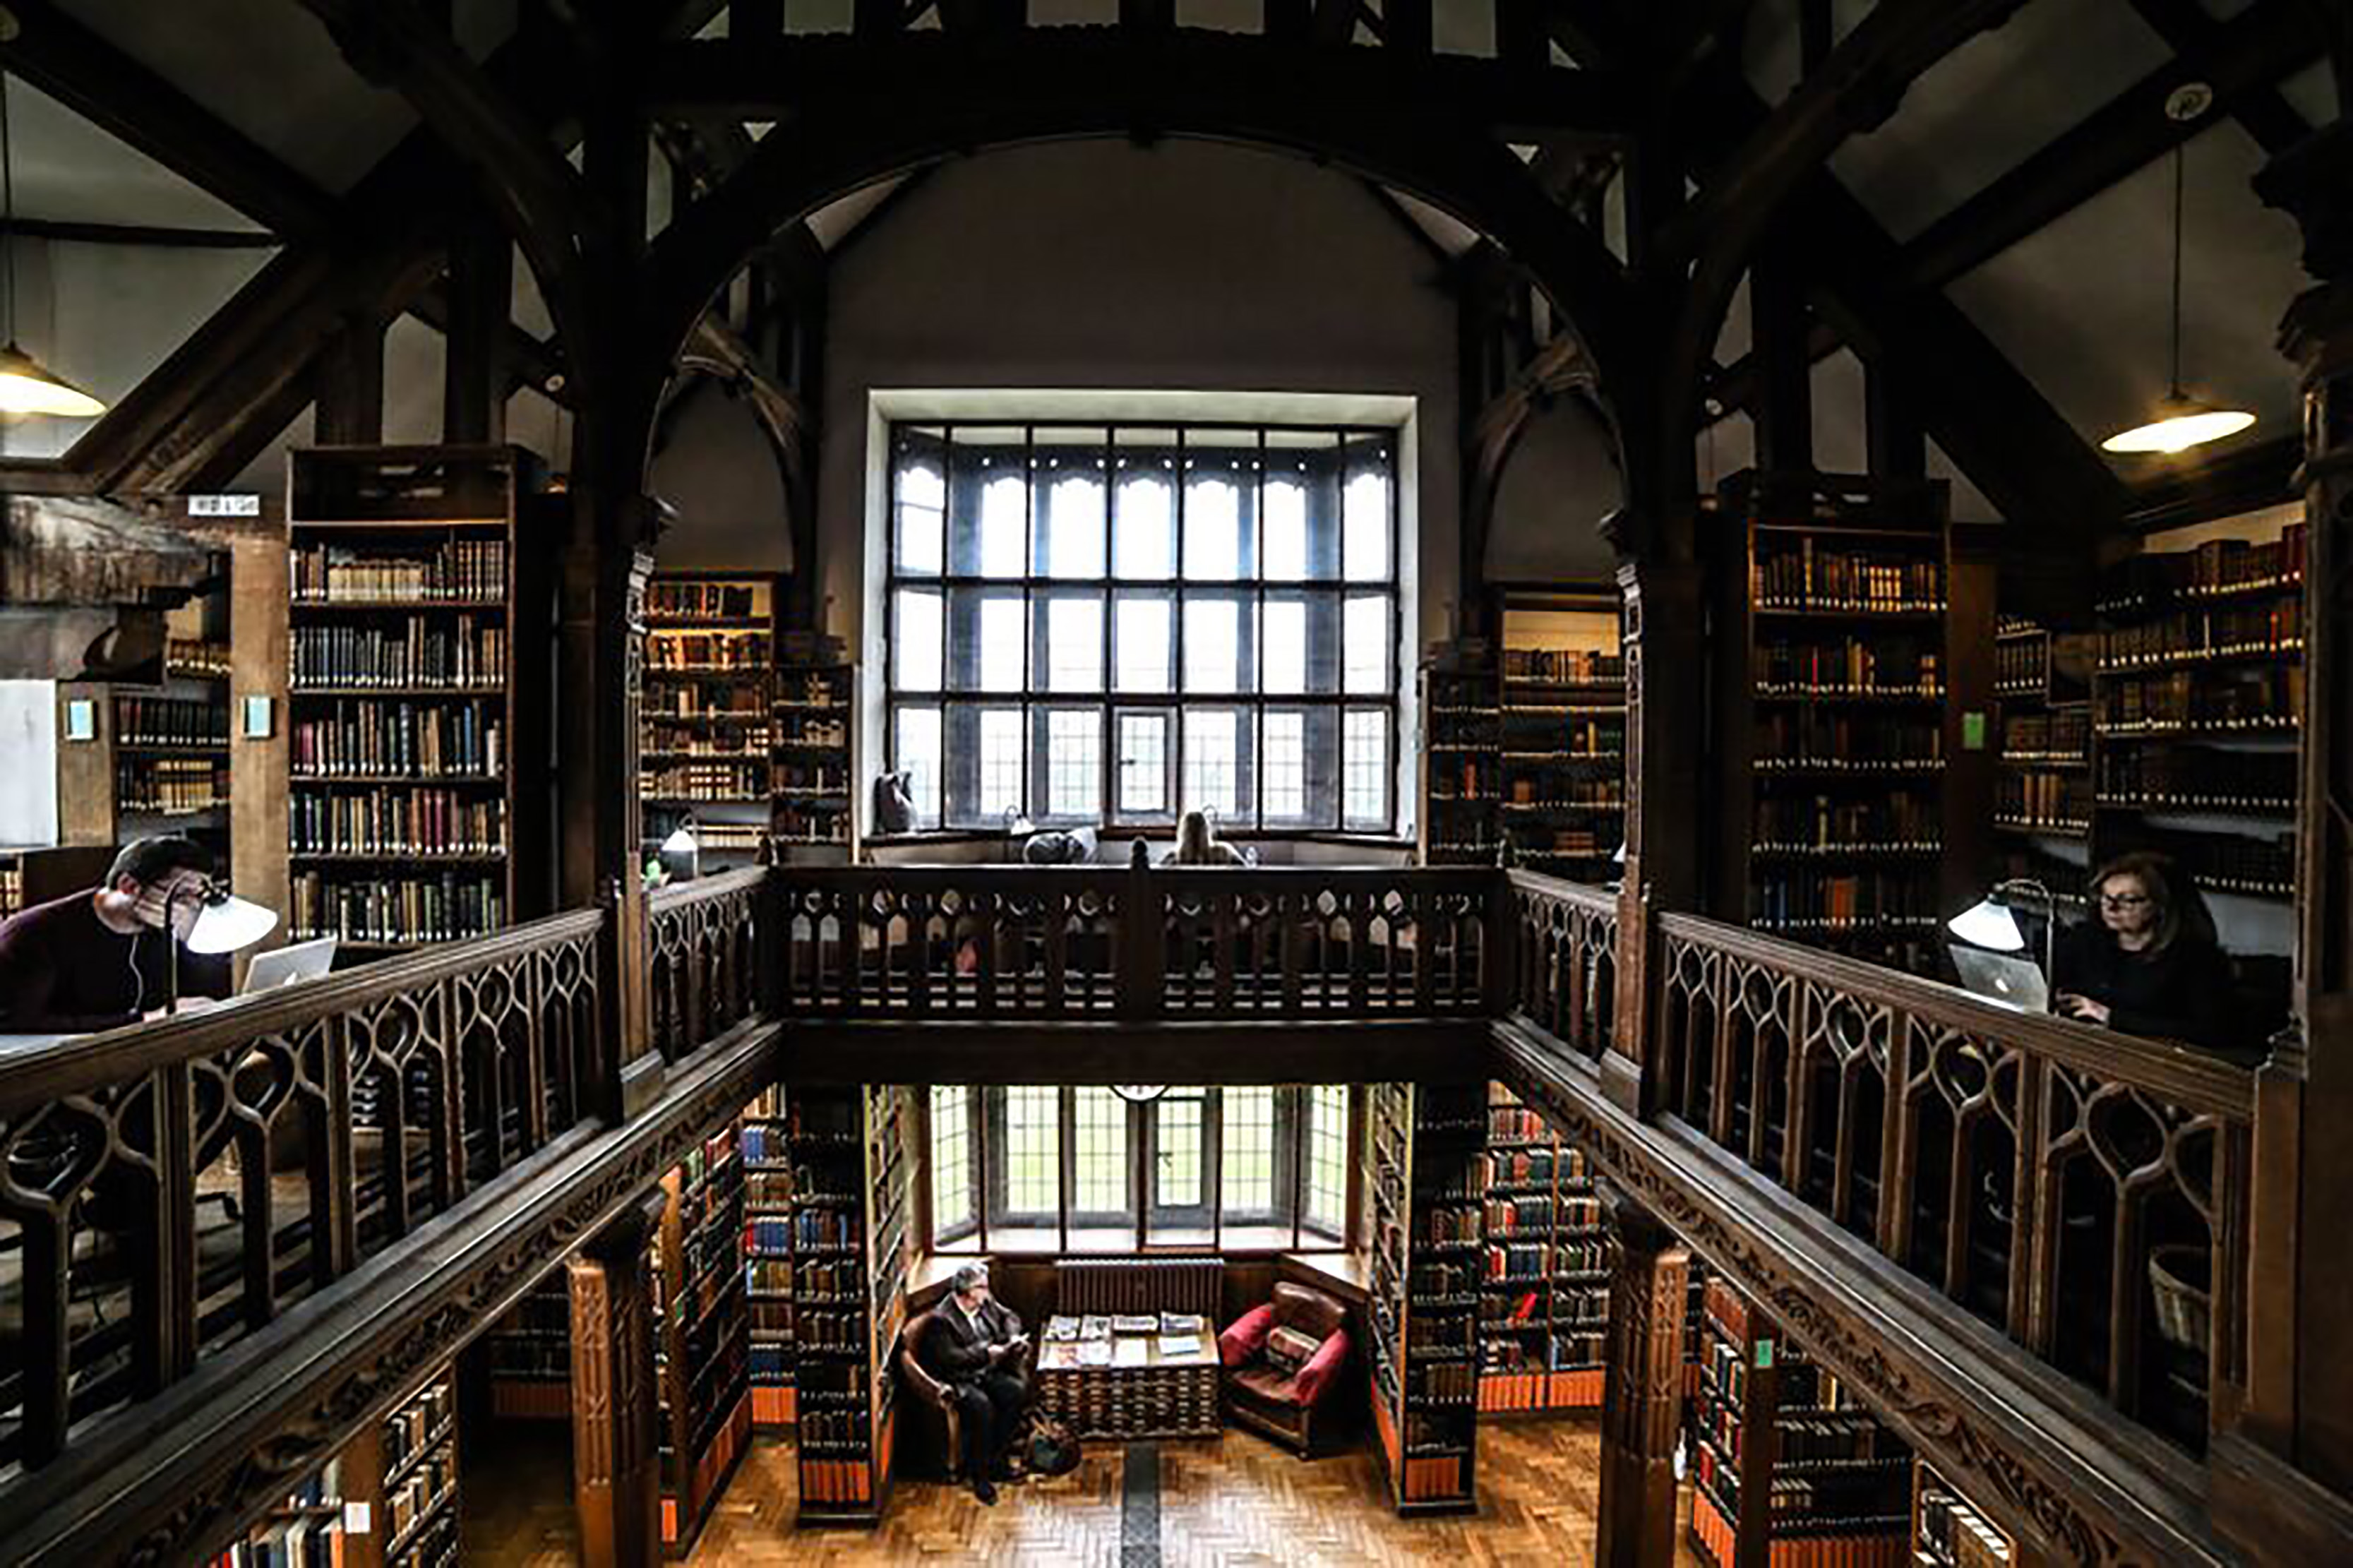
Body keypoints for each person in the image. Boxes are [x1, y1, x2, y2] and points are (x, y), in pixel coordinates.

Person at [0, 835, 228, 1034]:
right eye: (181, 894)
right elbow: (19, 1022)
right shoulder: (34, 934)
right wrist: (142, 1021)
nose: (191, 906)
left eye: (198, 895)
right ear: (128, 886)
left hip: (151, 1055)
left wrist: (191, 937)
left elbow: (202, 998)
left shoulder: (167, 926)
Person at [2052, 850, 2235, 1051]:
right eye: (2106, 897)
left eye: (2128, 900)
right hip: (2083, 1049)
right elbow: (2056, 980)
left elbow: (2212, 1032)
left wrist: (2110, 1017)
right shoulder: (2087, 938)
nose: (2111, 908)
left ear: (2160, 905)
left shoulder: (2198, 959)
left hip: (2150, 1063)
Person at [911, 1264, 1031, 1504]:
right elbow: (950, 1359)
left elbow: (1010, 1317)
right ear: (966, 1291)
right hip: (959, 1379)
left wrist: (1013, 1338)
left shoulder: (984, 1301)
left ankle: (998, 1462)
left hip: (985, 1371)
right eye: (982, 1287)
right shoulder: (941, 1319)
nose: (987, 1292)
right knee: (982, 1409)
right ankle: (981, 1477)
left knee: (1015, 1394)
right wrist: (987, 1354)